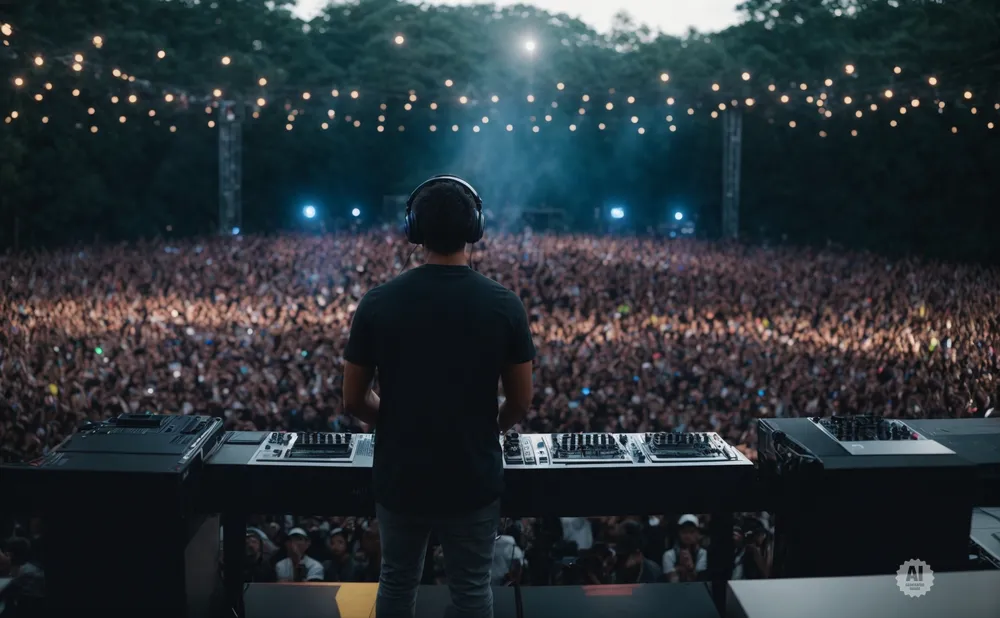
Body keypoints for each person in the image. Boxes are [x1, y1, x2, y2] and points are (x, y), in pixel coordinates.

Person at [342, 175, 535, 618]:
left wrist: (395, 419)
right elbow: (521, 403)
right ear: (476, 228)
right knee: (471, 592)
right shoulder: (505, 305)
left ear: (413, 229)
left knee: (396, 582)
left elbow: (354, 401)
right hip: (472, 474)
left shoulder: (378, 302)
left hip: (401, 473)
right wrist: (485, 426)